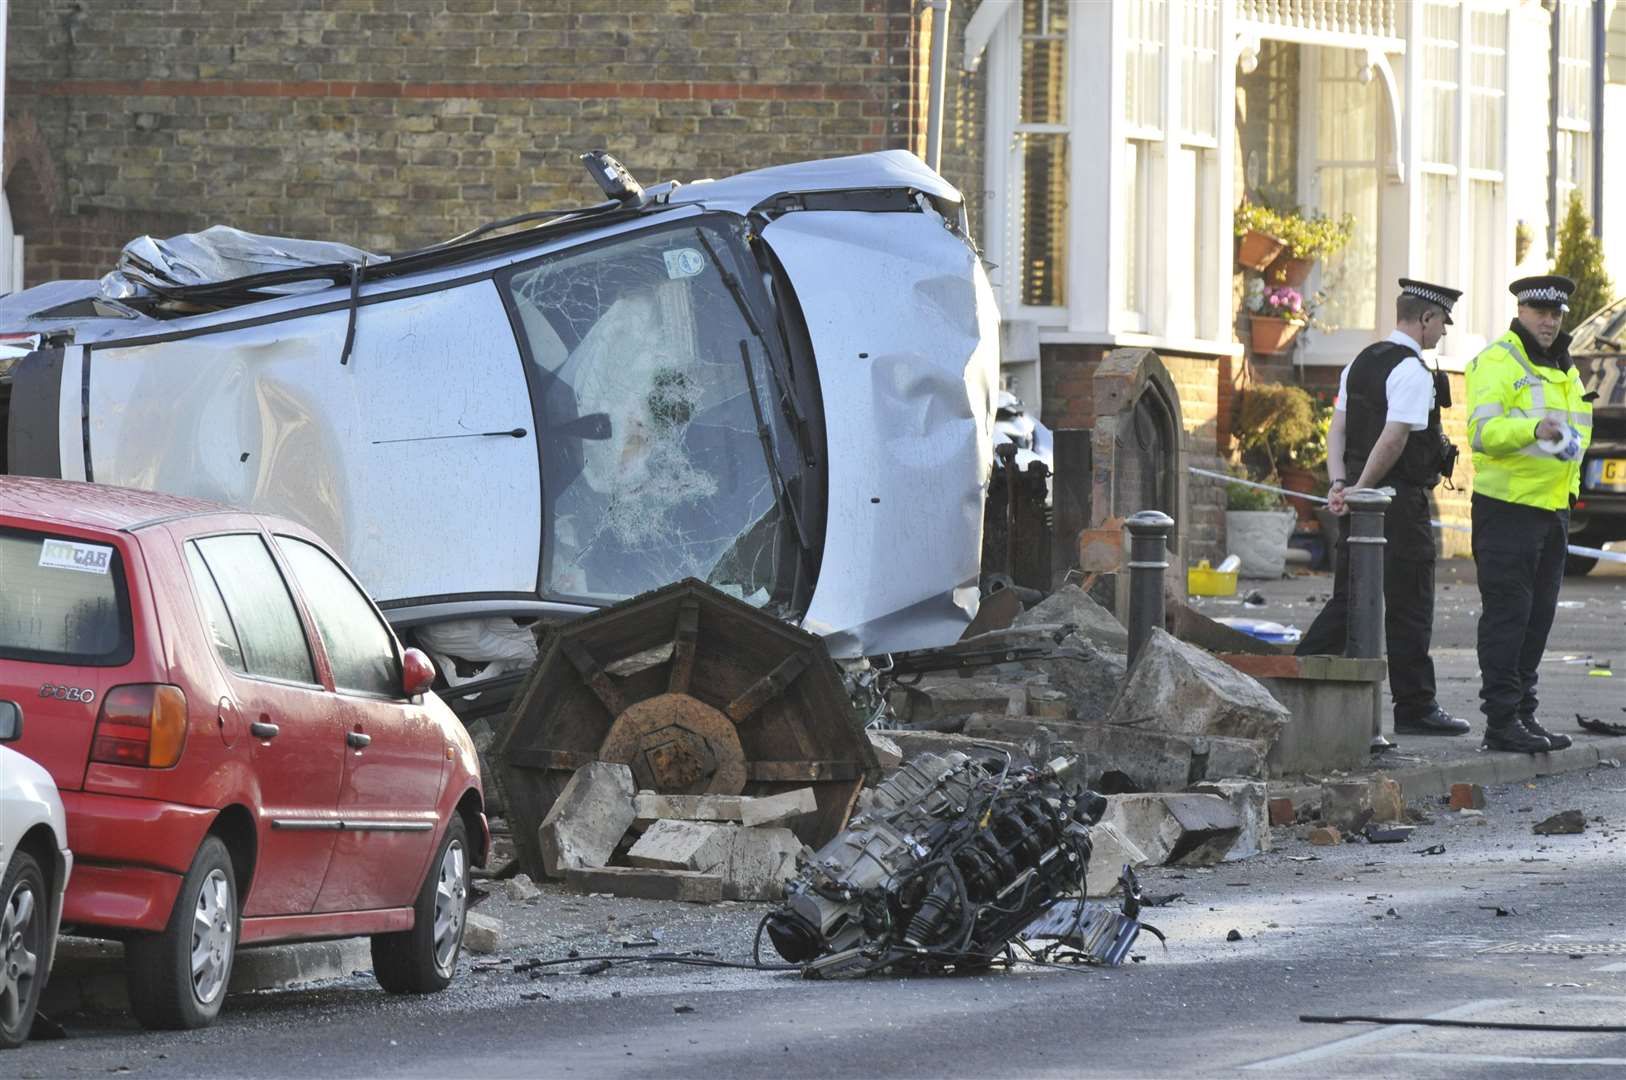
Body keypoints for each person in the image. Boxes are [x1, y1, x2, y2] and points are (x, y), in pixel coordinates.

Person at [1296, 279, 1470, 743]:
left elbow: (1338, 429)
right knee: (1410, 602)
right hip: (1395, 501)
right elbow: (1394, 438)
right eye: (1441, 324)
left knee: (1352, 601)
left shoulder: (1361, 361)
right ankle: (1415, 707)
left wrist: (1341, 483)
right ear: (1426, 319)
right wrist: (1363, 487)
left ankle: (1294, 676)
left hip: (1358, 499)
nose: (1443, 334)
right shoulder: (1411, 370)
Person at [1465, 275, 1594, 753]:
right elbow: (1482, 433)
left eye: (1556, 313)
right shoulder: (1497, 361)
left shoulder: (1565, 368)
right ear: (1521, 310)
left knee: (1537, 618)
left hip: (1553, 511)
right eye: (1541, 311)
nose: (1549, 320)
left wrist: (1572, 492)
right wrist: (1531, 428)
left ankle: (1523, 713)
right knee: (1509, 616)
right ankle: (1500, 721)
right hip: (1507, 510)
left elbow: (1573, 438)